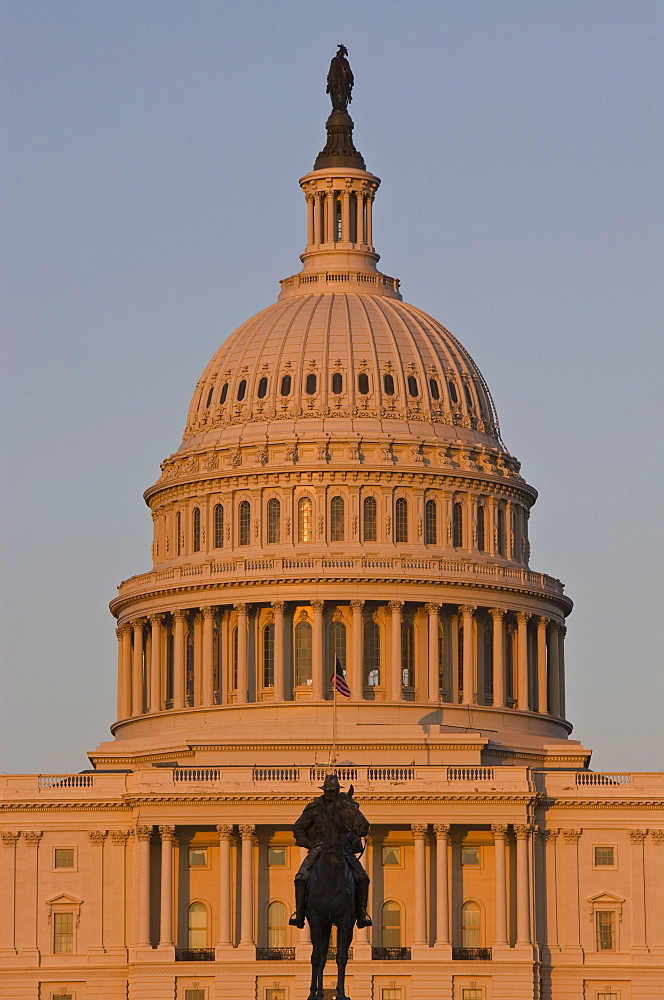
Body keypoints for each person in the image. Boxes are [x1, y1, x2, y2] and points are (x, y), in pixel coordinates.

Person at [289, 773, 372, 928]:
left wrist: (353, 839)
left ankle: (361, 913)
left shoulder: (345, 806)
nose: (331, 794)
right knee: (301, 875)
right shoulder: (314, 807)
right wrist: (309, 843)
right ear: (324, 791)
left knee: (362, 876)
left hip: (343, 846)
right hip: (319, 845)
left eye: (333, 791)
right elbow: (298, 828)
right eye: (328, 791)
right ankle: (299, 913)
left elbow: (354, 824)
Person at [326, 44, 354, 111]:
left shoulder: (335, 61)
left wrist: (329, 80)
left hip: (335, 84)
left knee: (337, 99)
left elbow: (330, 73)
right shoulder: (342, 61)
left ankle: (339, 108)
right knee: (340, 100)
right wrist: (351, 80)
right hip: (340, 84)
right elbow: (348, 72)